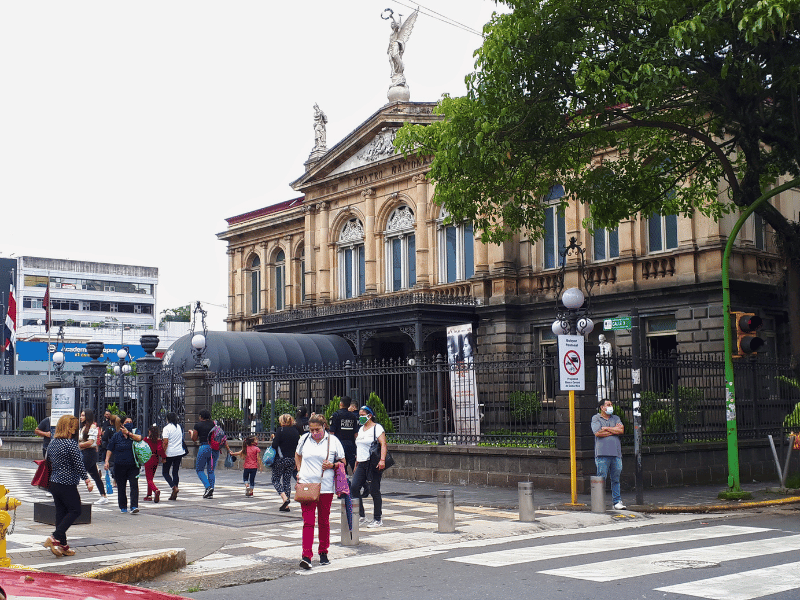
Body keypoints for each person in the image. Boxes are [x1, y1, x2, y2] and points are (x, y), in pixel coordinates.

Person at [295, 413, 344, 569]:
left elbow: (342, 461)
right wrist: (299, 470)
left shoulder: (333, 441)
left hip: (326, 487)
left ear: (324, 427)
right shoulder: (304, 439)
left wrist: (332, 465)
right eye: (312, 430)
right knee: (308, 522)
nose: (315, 433)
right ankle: (306, 556)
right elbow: (297, 455)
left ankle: (323, 552)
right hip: (307, 485)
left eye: (317, 430)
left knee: (323, 521)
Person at [44, 414, 94, 557]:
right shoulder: (71, 444)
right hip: (67, 483)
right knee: (75, 510)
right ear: (68, 427)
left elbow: (47, 460)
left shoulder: (52, 443)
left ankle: (63, 545)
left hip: (54, 482)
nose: (75, 429)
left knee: (61, 513)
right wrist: (87, 480)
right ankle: (55, 537)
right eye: (73, 427)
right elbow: (79, 465)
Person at [352, 405, 388, 528]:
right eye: (360, 415)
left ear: (370, 415)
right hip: (361, 463)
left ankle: (377, 518)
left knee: (374, 490)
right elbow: (359, 448)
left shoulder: (377, 428)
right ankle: (361, 515)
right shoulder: (361, 429)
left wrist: (382, 460)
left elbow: (383, 444)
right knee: (354, 487)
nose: (360, 417)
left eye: (363, 415)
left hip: (373, 463)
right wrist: (356, 463)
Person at [592, 399, 626, 510]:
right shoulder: (596, 418)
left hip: (616, 454)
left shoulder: (616, 418)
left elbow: (621, 430)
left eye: (611, 404)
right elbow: (598, 432)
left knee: (616, 479)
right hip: (602, 454)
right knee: (601, 478)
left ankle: (617, 501)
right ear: (602, 407)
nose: (611, 406)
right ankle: (599, 501)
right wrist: (614, 430)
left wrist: (606, 428)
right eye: (608, 404)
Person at [105, 415, 143, 514]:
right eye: (127, 422)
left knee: (134, 485)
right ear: (122, 424)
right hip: (119, 465)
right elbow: (110, 448)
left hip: (133, 465)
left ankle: (134, 506)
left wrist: (129, 433)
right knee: (121, 487)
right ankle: (123, 506)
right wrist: (106, 461)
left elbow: (139, 438)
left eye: (130, 422)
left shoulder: (135, 433)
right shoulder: (116, 436)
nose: (129, 423)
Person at [78, 409, 109, 505]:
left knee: (79, 472)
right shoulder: (84, 427)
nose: (81, 417)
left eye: (83, 415)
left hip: (89, 453)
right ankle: (103, 496)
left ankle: (70, 495)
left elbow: (91, 442)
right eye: (81, 415)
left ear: (87, 416)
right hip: (86, 452)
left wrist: (79, 445)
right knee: (95, 476)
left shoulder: (92, 426)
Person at [271, 413, 300, 511]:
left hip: (281, 459)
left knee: (275, 479)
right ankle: (286, 505)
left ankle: (284, 498)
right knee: (287, 481)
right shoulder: (295, 431)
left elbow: (274, 445)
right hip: (292, 459)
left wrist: (274, 438)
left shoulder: (280, 430)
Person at [189, 409, 218, 498]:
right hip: (214, 450)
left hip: (204, 448)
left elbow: (194, 438)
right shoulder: (214, 424)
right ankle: (210, 491)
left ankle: (208, 487)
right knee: (211, 470)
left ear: (201, 417)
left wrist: (191, 432)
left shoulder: (198, 425)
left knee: (199, 469)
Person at [329, 396, 358, 473]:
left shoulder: (336, 415)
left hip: (339, 444)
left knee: (341, 467)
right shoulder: (353, 416)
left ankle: (346, 482)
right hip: (351, 444)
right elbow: (356, 433)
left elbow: (332, 433)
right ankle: (361, 482)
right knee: (354, 466)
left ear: (341, 404)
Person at [161, 412, 184, 501]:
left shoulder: (166, 428)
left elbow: (165, 442)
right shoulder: (179, 427)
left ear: (167, 419)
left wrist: (163, 455)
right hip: (179, 452)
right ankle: (174, 492)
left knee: (165, 472)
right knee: (175, 472)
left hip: (169, 453)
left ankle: (173, 487)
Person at [143, 423, 165, 503]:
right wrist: (163, 457)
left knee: (148, 478)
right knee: (151, 477)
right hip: (155, 459)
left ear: (150, 432)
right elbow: (160, 450)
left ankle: (155, 490)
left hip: (148, 458)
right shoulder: (159, 440)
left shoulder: (146, 440)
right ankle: (149, 495)